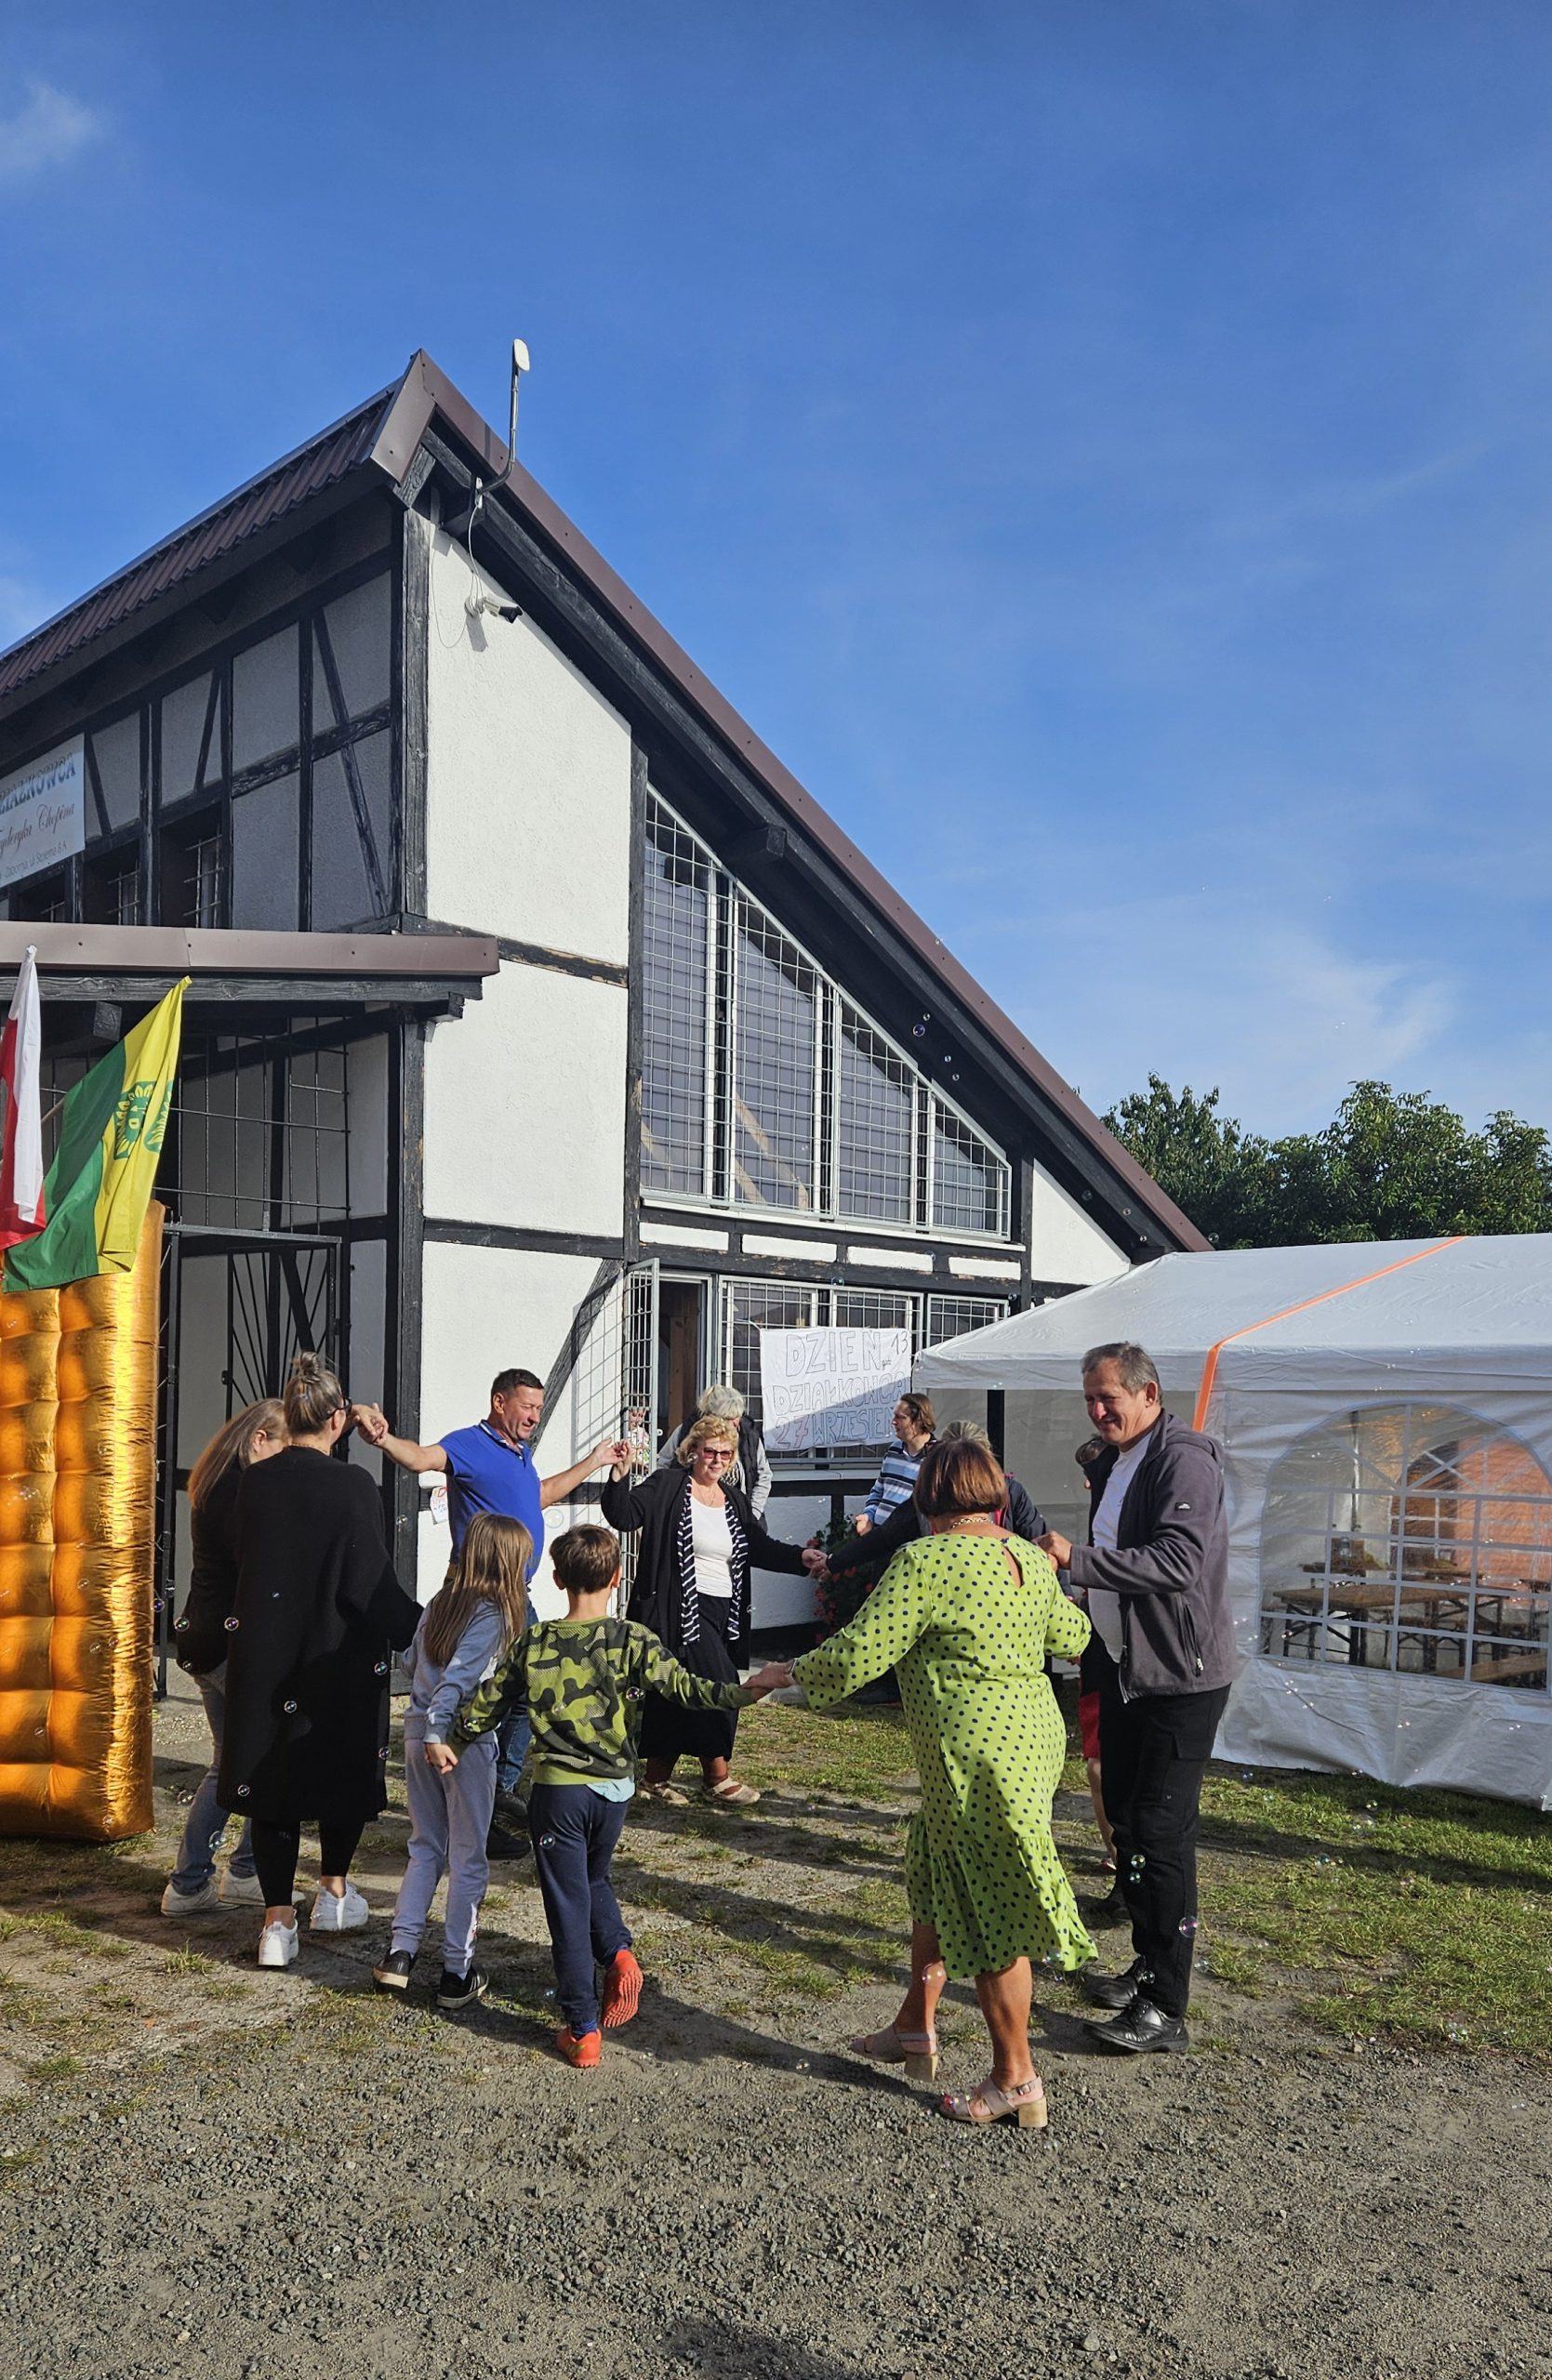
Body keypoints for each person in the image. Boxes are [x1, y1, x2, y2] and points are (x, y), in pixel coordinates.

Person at [769, 1436, 1094, 2129]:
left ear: (927, 1495)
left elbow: (861, 1649)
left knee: (994, 1902)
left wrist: (789, 1672)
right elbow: (1073, 1638)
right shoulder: (1025, 1556)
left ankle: (1016, 2078)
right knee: (936, 1872)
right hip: (1031, 1739)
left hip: (972, 1751)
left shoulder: (926, 1559)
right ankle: (914, 2025)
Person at [439, 1523, 789, 2066]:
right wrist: (751, 1689)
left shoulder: (535, 1641)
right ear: (618, 1577)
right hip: (616, 1792)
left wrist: (452, 1741)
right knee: (593, 1878)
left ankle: (582, 2026)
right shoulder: (633, 1639)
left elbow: (489, 1701)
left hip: (559, 1795)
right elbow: (690, 1690)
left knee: (567, 1904)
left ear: (558, 1579)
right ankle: (619, 1953)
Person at [1038, 1342, 1238, 2056]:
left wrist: (1077, 1560)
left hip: (1178, 1678)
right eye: (1088, 1399)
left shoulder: (1183, 1458)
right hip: (1123, 1668)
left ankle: (1164, 2008)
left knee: (1159, 1833)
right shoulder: (1119, 1458)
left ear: (1148, 1393)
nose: (1096, 1410)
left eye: (1108, 1398)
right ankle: (1146, 1968)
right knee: (1126, 1821)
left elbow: (1178, 1562)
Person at [353, 1369, 621, 1858]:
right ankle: (479, 1808)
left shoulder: (519, 1453)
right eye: (527, 1407)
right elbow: (420, 1459)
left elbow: (538, 1496)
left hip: (517, 1594)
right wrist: (384, 1439)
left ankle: (498, 1791)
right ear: (500, 1402)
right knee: (479, 1694)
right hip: (479, 1593)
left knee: (523, 1691)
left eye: (539, 1408)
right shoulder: (470, 1445)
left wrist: (595, 1461)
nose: (535, 1417)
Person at [220, 1354, 420, 1970]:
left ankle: (276, 1922)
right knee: (342, 1766)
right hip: (337, 1654)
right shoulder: (353, 1485)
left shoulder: (255, 1482)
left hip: (266, 1650)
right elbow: (368, 1582)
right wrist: (423, 1629)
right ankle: (333, 1891)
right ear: (338, 1420)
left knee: (273, 1779)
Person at [600, 1415, 810, 1806]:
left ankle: (655, 1778)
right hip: (675, 1608)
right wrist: (619, 1477)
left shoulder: (733, 1500)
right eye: (710, 1451)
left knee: (673, 1693)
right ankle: (716, 1777)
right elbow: (623, 1516)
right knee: (719, 1680)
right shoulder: (667, 1486)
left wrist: (801, 1558)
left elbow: (758, 1546)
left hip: (723, 1611)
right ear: (692, 1451)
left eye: (725, 1454)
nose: (717, 1460)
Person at [372, 1514, 534, 2012]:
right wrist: (441, 1732)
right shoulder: (494, 1613)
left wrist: (428, 1725)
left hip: (415, 1733)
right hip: (460, 1741)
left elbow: (409, 1663)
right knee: (467, 1856)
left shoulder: (441, 1603)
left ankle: (400, 1955)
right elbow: (458, 1680)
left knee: (425, 1847)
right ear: (508, 1563)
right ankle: (457, 1972)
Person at [161, 1399, 287, 1917]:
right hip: (230, 1647)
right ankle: (211, 1878)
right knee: (263, 1763)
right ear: (260, 1440)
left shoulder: (216, 1482)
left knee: (233, 1761)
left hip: (204, 1639)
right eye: (285, 1448)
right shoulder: (240, 1493)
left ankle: (213, 1877)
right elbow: (262, 1569)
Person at [808, 1418, 1046, 1603]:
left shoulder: (1011, 1494)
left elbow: (1042, 1546)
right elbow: (885, 1536)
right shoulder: (931, 1501)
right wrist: (834, 1562)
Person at [1071, 1434, 1119, 1912]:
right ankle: (1117, 1856)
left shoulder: (1122, 1517)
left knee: (1101, 1766)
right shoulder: (1104, 1515)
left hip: (1117, 1662)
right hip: (1099, 1654)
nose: (1087, 1483)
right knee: (1098, 1766)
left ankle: (1122, 1859)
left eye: (1094, 1473)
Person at [654, 1385, 773, 1517]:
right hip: (693, 1514)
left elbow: (764, 1476)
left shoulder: (750, 1436)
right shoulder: (686, 1432)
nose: (735, 1423)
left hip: (740, 1517)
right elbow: (662, 1465)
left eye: (737, 1416)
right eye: (728, 1417)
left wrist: (752, 1514)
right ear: (711, 1416)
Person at [851, 1395, 935, 1536]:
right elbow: (878, 1491)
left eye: (900, 1417)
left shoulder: (937, 1457)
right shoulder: (894, 1450)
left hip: (910, 1540)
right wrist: (868, 1516)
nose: (893, 1422)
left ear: (918, 1421)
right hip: (881, 1535)